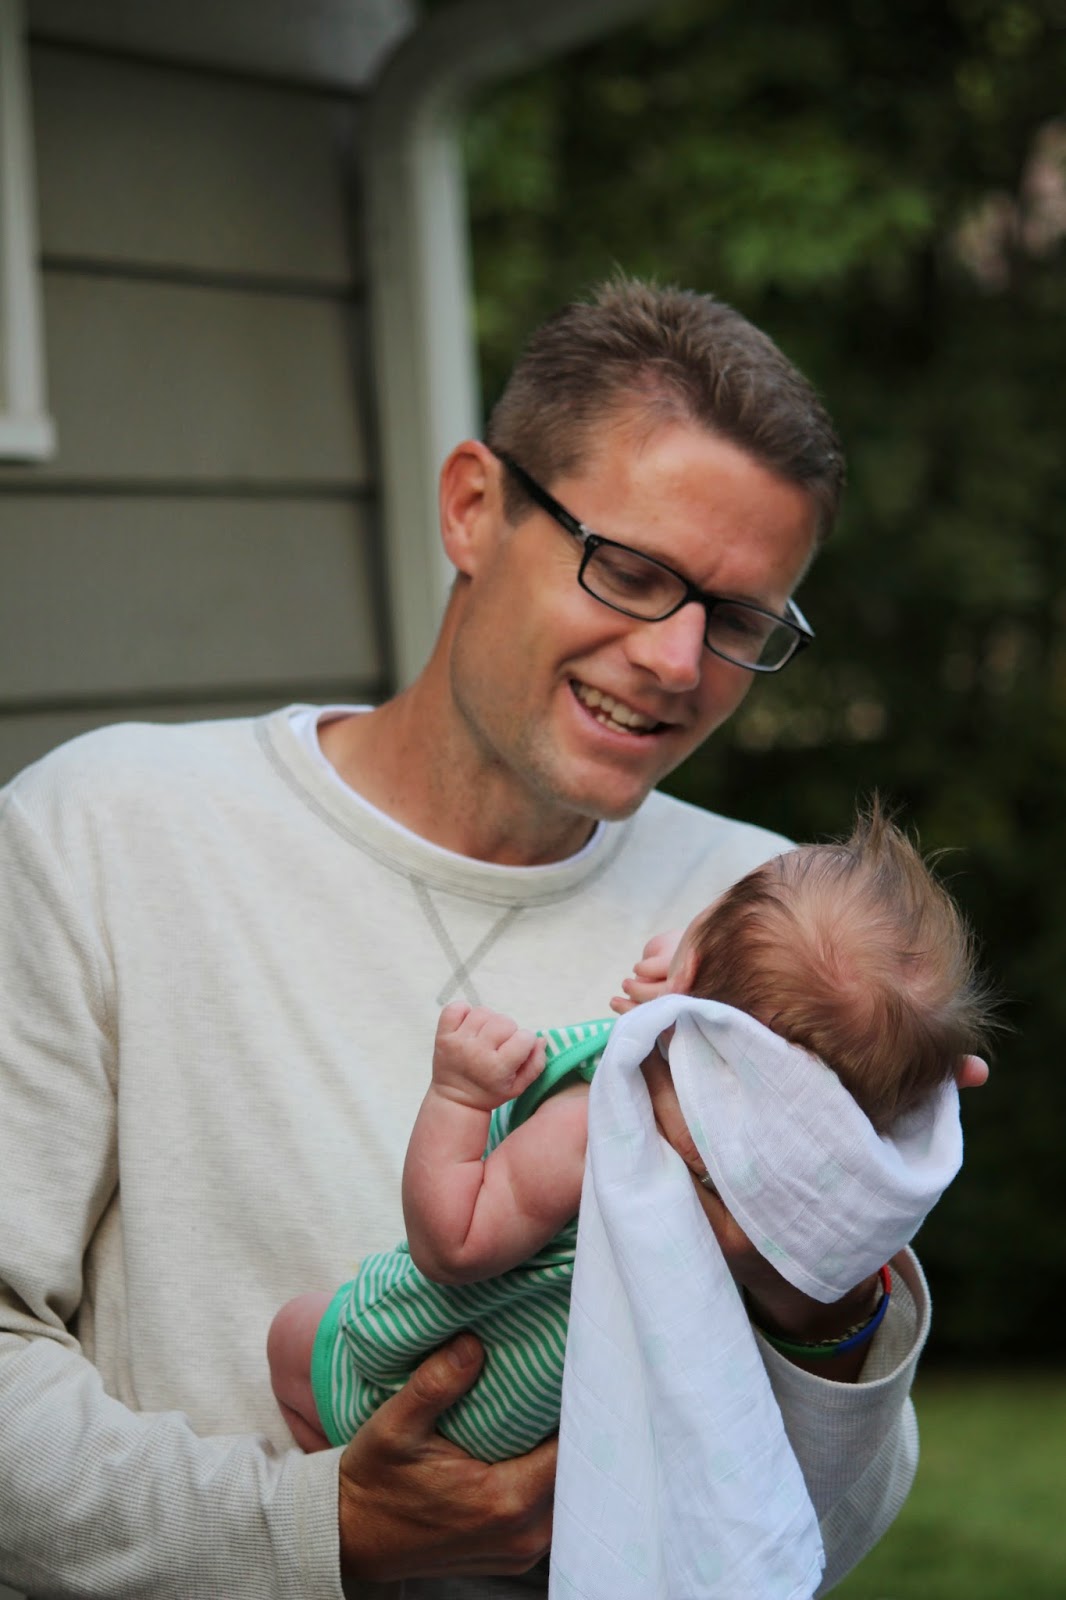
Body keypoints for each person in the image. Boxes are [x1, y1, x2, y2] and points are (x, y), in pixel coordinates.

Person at [0, 276, 989, 1600]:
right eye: (629, 571)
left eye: (738, 619)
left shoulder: (759, 929)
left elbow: (813, 1531)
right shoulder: (106, 830)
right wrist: (316, 1529)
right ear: (473, 507)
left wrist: (829, 1287)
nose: (676, 661)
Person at [267, 801, 994, 1464]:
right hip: (587, 1435)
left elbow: (452, 1246)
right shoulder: (807, 1188)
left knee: (296, 1336)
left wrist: (457, 1096)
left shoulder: (602, 1122)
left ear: (691, 976)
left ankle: (357, 1499)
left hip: (446, 1391)